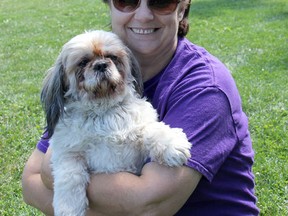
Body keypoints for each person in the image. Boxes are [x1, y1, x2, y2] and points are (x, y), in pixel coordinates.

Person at [22, 0, 260, 215]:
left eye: (161, 2)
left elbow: (148, 206)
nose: (144, 15)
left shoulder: (207, 88)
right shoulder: (76, 106)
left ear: (182, 7)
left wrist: (54, 173)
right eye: (127, 1)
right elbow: (30, 182)